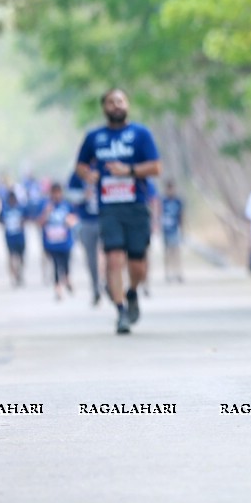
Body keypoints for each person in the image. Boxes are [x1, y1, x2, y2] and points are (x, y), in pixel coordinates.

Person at [75, 88, 162, 335]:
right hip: (109, 207)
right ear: (104, 107)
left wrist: (129, 171)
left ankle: (132, 291)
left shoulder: (140, 134)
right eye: (111, 102)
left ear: (128, 105)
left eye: (120, 101)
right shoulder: (94, 137)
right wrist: (88, 174)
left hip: (136, 205)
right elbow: (80, 165)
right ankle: (120, 310)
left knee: (138, 263)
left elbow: (156, 167)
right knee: (113, 258)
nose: (116, 105)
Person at [66, 171, 104, 305]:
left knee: (109, 254)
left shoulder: (104, 167)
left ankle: (109, 282)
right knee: (91, 257)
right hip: (86, 221)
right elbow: (69, 195)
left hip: (105, 218)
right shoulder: (77, 174)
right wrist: (84, 195)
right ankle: (95, 287)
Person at [38, 183, 77, 301]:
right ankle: (58, 289)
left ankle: (67, 279)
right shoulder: (45, 205)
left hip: (65, 242)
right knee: (55, 266)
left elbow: (74, 219)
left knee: (65, 265)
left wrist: (69, 221)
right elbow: (39, 222)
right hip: (51, 243)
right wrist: (46, 213)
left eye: (58, 192)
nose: (56, 195)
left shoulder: (67, 205)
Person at [0, 192, 27, 287]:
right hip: (10, 237)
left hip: (20, 237)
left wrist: (22, 222)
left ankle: (20, 272)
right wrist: (6, 223)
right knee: (11, 257)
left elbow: (26, 217)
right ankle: (14, 275)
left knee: (21, 258)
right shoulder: (5, 210)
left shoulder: (20, 208)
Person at [159, 180, 185, 283]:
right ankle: (167, 273)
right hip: (165, 229)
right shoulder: (163, 201)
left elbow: (181, 215)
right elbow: (159, 213)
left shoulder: (178, 201)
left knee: (176, 252)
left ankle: (178, 273)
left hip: (175, 229)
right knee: (167, 252)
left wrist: (182, 228)